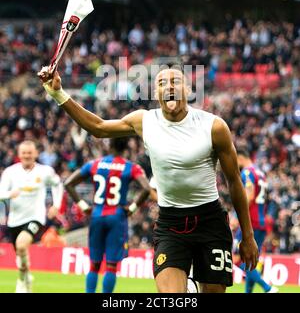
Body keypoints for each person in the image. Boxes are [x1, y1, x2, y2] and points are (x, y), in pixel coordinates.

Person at [38, 66, 258, 293]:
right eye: (162, 83)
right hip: (171, 224)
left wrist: (248, 236)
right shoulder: (144, 121)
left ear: (188, 89)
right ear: (156, 93)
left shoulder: (214, 126)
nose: (169, 86)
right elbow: (98, 127)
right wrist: (58, 94)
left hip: (210, 221)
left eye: (175, 81)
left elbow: (234, 182)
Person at [64, 137, 150, 293]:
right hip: (117, 216)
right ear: (126, 149)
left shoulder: (94, 164)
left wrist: (83, 205)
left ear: (109, 146)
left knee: (94, 264)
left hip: (97, 214)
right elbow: (146, 188)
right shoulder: (131, 167)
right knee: (111, 265)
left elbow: (68, 183)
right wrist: (132, 207)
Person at [0, 140, 63, 293]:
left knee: (22, 245)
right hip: (15, 220)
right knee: (20, 252)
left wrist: (56, 205)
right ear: (19, 154)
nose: (27, 155)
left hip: (36, 217)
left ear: (35, 153)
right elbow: (1, 193)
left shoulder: (45, 171)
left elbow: (58, 184)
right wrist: (10, 194)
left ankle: (22, 280)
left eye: (30, 153)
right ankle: (26, 274)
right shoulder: (10, 172)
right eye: (24, 153)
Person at [236, 148, 279, 293]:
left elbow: (249, 194)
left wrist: (237, 217)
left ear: (240, 158)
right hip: (261, 222)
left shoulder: (247, 172)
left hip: (249, 223)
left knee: (236, 258)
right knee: (251, 260)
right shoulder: (260, 173)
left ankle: (267, 288)